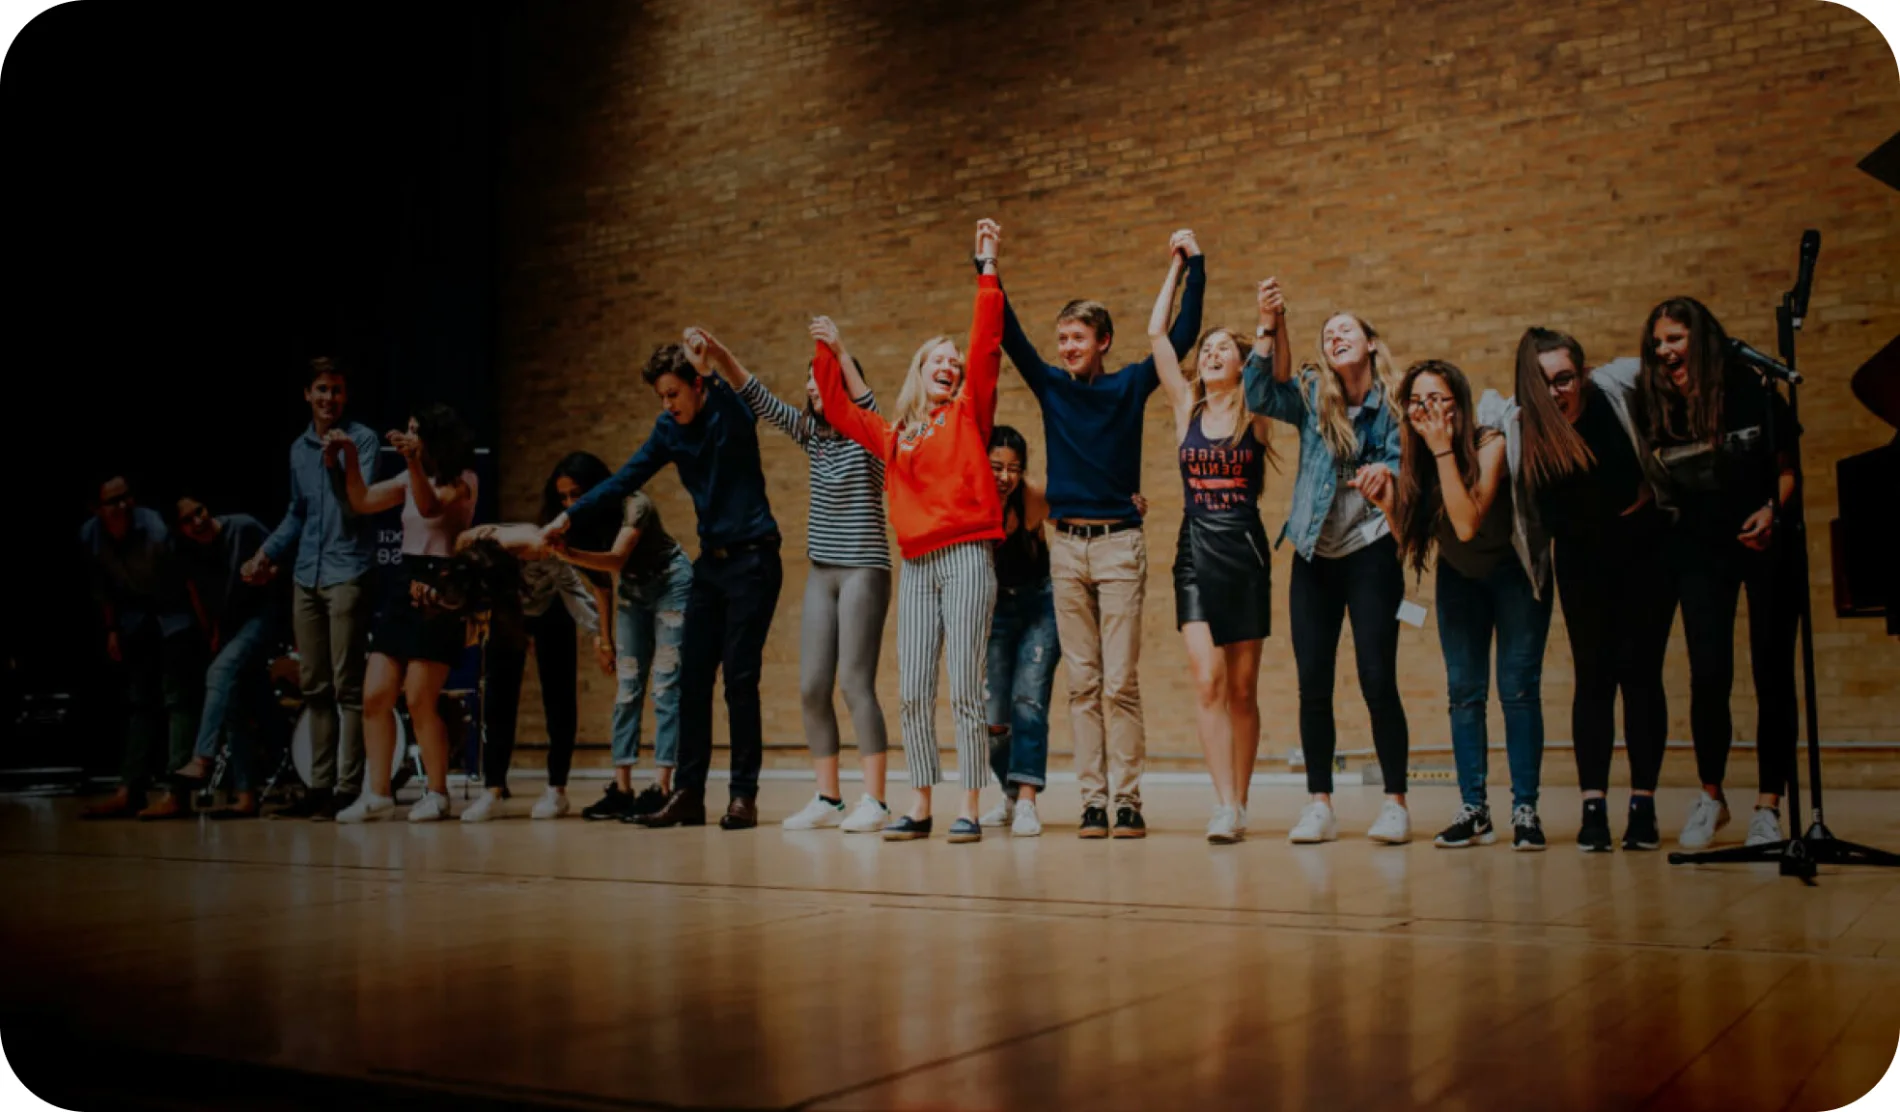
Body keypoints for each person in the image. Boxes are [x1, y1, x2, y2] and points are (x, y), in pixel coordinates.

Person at [991, 228, 1205, 839]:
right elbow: (1009, 335)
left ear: (1102, 342)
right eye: (1061, 339)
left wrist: (1195, 266)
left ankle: (1128, 800)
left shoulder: (1128, 384)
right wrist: (988, 266)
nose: (1065, 348)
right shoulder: (1053, 387)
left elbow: (1183, 335)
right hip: (1068, 549)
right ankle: (1091, 801)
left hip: (1118, 546)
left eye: (1077, 339)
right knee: (1081, 684)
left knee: (1118, 682)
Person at [816, 218, 1006, 843]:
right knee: (914, 688)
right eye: (939, 360)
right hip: (919, 563)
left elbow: (983, 344)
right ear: (919, 371)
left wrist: (986, 269)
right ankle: (920, 804)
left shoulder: (969, 412)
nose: (950, 365)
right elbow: (840, 409)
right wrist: (832, 351)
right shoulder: (895, 435)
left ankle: (970, 808)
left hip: (969, 556)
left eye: (954, 362)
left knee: (965, 691)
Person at [545, 343, 782, 832]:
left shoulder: (728, 410)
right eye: (661, 396)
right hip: (710, 567)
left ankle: (743, 797)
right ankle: (688, 794)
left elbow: (737, 389)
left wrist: (711, 361)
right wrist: (569, 515)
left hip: (754, 560)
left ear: (697, 385)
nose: (668, 404)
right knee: (691, 679)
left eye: (674, 393)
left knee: (739, 680)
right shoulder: (668, 430)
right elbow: (624, 479)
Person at [686, 319, 895, 835]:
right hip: (822, 570)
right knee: (810, 686)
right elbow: (754, 394)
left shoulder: (866, 435)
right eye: (808, 380)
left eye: (820, 378)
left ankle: (878, 800)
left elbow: (866, 404)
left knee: (854, 682)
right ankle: (828, 796)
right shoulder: (813, 437)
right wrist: (718, 352)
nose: (811, 387)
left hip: (864, 567)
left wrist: (839, 349)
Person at [1363, 360, 1554, 851]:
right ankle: (1475, 809)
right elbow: (1415, 541)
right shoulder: (1415, 458)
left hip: (1513, 571)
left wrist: (1443, 448)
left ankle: (1525, 809)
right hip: (1459, 578)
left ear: (1460, 404)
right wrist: (1388, 502)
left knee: (1517, 690)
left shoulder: (1490, 444)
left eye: (1440, 400)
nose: (1429, 411)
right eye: (1419, 402)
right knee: (1464, 693)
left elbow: (1467, 523)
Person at [1242, 293, 1412, 845]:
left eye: (1346, 330)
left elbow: (1399, 461)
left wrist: (1384, 473)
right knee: (1312, 683)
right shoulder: (1316, 395)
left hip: (1371, 552)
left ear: (1369, 343)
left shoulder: (1393, 403)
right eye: (1327, 333)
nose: (1334, 337)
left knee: (1376, 678)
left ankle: (1394, 803)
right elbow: (1259, 393)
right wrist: (1269, 326)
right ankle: (1320, 803)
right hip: (1314, 554)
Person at [1635, 297, 1800, 849]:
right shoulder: (1656, 404)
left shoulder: (1751, 388)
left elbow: (1787, 469)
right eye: (1658, 342)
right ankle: (1712, 796)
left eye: (1675, 339)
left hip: (1765, 539)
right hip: (1698, 549)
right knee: (1709, 673)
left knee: (1771, 669)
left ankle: (1769, 806)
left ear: (1700, 340)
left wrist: (1773, 511)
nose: (1664, 351)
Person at [1510, 329, 1676, 852]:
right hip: (1580, 562)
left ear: (1582, 374)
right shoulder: (1525, 427)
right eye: (1545, 383)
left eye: (1565, 378)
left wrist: (1663, 485)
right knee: (1594, 679)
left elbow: (1668, 367)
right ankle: (1593, 808)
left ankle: (1643, 807)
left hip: (1643, 550)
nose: (1557, 392)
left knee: (1642, 674)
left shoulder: (1616, 392)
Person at [1147, 238, 1277, 844]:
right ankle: (1223, 805)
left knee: (1244, 690)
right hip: (1194, 551)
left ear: (1241, 360)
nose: (1210, 353)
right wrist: (1177, 268)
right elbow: (1155, 337)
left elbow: (1274, 366)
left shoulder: (1256, 410)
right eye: (1206, 349)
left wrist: (1271, 325)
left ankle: (1243, 800)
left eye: (1223, 347)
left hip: (1244, 552)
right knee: (1208, 681)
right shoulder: (1186, 407)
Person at [241, 357, 381, 820]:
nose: (329, 398)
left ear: (346, 396)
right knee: (315, 686)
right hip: (306, 575)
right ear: (307, 394)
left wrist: (338, 465)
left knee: (347, 687)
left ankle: (348, 787)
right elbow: (297, 513)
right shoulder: (297, 448)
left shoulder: (361, 440)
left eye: (337, 390)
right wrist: (266, 554)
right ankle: (319, 788)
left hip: (347, 573)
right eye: (322, 389)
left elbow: (359, 506)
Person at [331, 405, 480, 823]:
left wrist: (413, 461)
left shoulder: (463, 480)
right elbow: (361, 500)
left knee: (419, 697)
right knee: (375, 694)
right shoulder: (408, 475)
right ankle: (377, 792)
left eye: (418, 432)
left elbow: (431, 507)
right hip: (404, 579)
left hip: (442, 584)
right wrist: (349, 458)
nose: (409, 438)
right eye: (408, 431)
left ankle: (436, 791)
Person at [541, 454, 695, 823]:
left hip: (669, 583)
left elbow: (615, 560)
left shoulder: (634, 504)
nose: (568, 504)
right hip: (632, 592)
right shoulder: (577, 526)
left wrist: (568, 552)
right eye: (562, 498)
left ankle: (661, 785)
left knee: (665, 684)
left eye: (576, 494)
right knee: (627, 687)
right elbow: (602, 588)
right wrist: (603, 639)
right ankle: (622, 788)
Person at [450, 515, 610, 822]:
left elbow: (572, 587)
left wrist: (598, 635)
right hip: (509, 609)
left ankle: (556, 789)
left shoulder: (538, 546)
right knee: (499, 696)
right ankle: (493, 789)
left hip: (552, 606)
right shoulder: (470, 546)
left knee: (558, 696)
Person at [78, 475, 203, 820]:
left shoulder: (154, 530)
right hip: (135, 616)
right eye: (113, 501)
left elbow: (189, 580)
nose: (123, 506)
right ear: (96, 509)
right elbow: (101, 587)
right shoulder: (91, 536)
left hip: (174, 613)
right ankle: (129, 789)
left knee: (177, 699)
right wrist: (112, 629)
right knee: (139, 703)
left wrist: (204, 628)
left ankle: (176, 792)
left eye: (126, 497)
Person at [171, 496, 280, 819]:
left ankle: (202, 757)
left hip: (263, 615)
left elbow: (282, 557)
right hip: (230, 625)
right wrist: (214, 633)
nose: (198, 522)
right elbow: (198, 595)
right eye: (188, 520)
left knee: (218, 673)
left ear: (209, 508)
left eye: (199, 512)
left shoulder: (242, 526)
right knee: (235, 703)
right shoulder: (190, 552)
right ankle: (246, 793)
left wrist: (267, 572)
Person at [978, 426, 1060, 838]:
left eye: (1013, 468)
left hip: (1038, 605)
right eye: (996, 467)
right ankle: (1010, 794)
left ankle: (1027, 799)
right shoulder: (971, 498)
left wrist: (1129, 505)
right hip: (995, 613)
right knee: (994, 718)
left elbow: (1079, 505)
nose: (1005, 476)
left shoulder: (1033, 496)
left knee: (1028, 701)